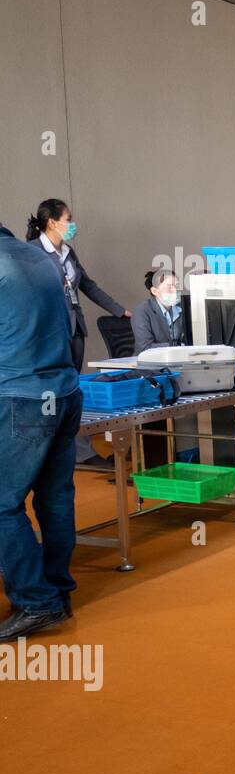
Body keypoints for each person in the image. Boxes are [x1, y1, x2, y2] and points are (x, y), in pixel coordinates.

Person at [0, 222, 82, 641]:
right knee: (54, 499)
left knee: (2, 504)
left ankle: (36, 602)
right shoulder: (37, 257)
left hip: (23, 398)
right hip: (65, 392)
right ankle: (58, 592)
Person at [28, 199, 129, 467]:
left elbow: (89, 286)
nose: (72, 225)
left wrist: (120, 311)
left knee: (73, 390)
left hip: (75, 330)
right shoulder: (32, 252)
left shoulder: (68, 252)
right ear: (52, 222)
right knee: (52, 391)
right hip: (49, 331)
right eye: (68, 219)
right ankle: (53, 452)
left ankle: (79, 450)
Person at [132, 270, 189, 353]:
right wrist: (178, 347)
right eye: (169, 287)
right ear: (154, 291)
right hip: (150, 362)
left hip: (178, 360)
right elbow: (145, 347)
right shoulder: (142, 311)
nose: (175, 291)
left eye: (177, 286)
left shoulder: (182, 308)